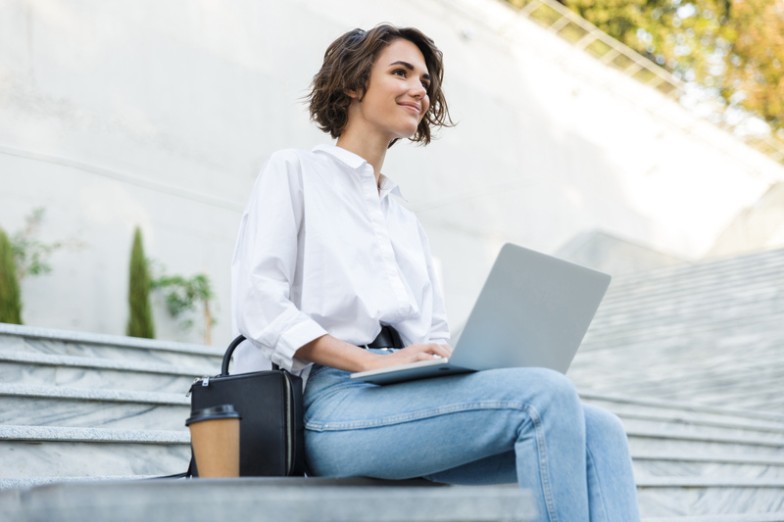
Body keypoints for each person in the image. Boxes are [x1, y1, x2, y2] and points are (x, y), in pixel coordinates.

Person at [231, 23, 641, 521]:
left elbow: (432, 334)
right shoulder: (294, 172)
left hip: (408, 397)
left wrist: (454, 360)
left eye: (424, 81)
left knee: (601, 431)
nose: (419, 90)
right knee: (546, 395)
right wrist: (370, 363)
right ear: (354, 84)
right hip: (330, 405)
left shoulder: (404, 218)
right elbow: (259, 303)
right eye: (401, 73)